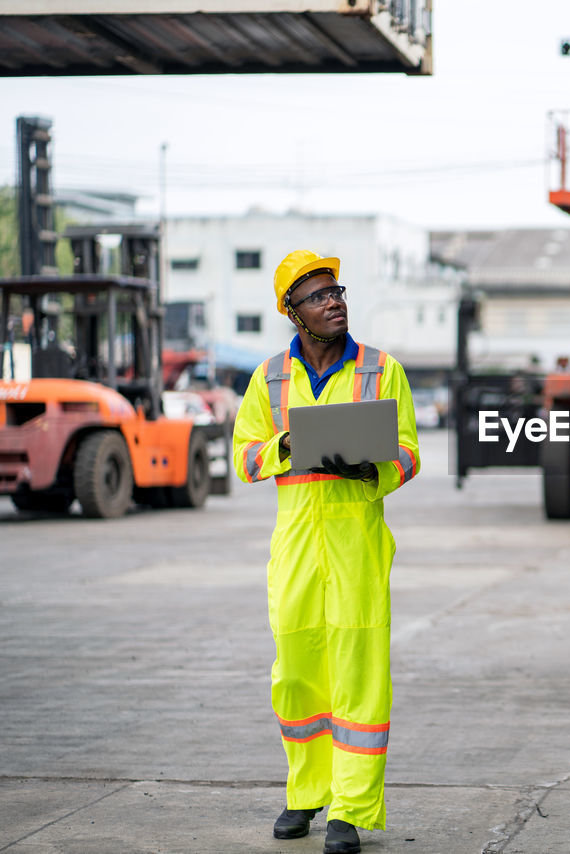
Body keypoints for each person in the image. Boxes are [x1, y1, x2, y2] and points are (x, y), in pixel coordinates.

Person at [233, 250, 420, 854]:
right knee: (296, 677)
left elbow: (411, 451)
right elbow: (244, 457)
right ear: (293, 313)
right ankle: (305, 793)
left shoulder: (382, 369)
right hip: (294, 547)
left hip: (357, 544)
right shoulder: (268, 379)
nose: (333, 301)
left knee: (360, 679)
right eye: (316, 295)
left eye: (336, 290)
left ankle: (349, 810)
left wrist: (378, 466)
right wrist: (287, 445)